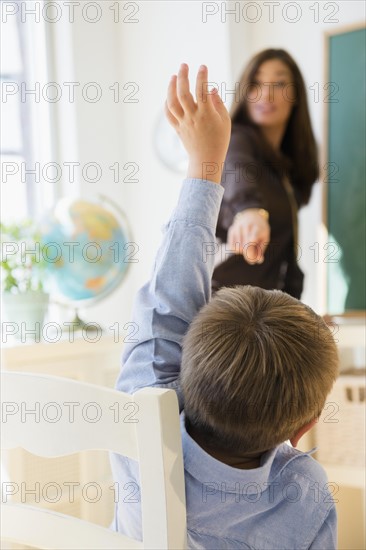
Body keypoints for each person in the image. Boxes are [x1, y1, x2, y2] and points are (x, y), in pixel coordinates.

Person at [110, 63, 339, 549]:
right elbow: (247, 189)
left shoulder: (140, 416)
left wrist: (202, 167)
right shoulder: (305, 493)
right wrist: (246, 204)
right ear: (304, 427)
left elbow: (166, 311)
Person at [212, 49, 319, 299]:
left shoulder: (285, 171)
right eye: (256, 83)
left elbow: (285, 258)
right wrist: (249, 211)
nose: (266, 94)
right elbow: (237, 167)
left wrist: (299, 315)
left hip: (260, 315)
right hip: (220, 311)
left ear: (296, 95)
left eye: (279, 83)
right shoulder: (236, 139)